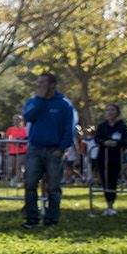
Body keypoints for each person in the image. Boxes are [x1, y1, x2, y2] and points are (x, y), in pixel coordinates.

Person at [21, 72, 78, 228]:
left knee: (53, 187)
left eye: (43, 83)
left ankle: (51, 219)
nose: (39, 85)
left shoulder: (64, 104)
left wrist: (61, 148)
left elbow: (69, 128)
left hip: (54, 150)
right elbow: (28, 117)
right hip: (35, 149)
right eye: (38, 83)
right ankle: (32, 219)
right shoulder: (33, 101)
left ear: (52, 84)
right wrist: (39, 99)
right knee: (30, 184)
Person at [93, 105, 127, 215]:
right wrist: (104, 142)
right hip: (102, 157)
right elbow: (97, 138)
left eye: (112, 110)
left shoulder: (123, 127)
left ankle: (111, 206)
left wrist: (117, 143)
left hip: (116, 158)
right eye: (107, 110)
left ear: (117, 112)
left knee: (113, 180)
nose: (109, 112)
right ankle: (108, 204)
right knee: (104, 180)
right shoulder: (102, 126)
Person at [5, 115, 28, 182]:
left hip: (22, 151)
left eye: (18, 120)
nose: (16, 121)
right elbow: (7, 139)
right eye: (15, 120)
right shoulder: (10, 129)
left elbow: (26, 139)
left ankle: (19, 180)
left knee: (19, 166)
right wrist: (7, 149)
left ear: (22, 121)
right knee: (11, 167)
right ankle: (10, 179)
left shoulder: (25, 129)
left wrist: (19, 141)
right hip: (12, 152)